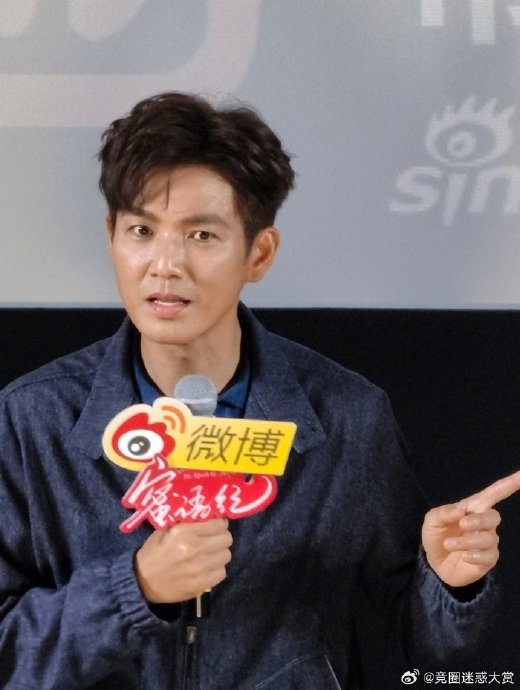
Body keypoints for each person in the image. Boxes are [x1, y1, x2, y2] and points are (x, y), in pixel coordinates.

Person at [0, 92, 518, 690]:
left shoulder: (347, 417)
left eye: (201, 235)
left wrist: (447, 583)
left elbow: (424, 650)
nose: (165, 264)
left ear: (260, 253)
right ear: (111, 234)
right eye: (141, 230)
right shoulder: (32, 418)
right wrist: (133, 589)